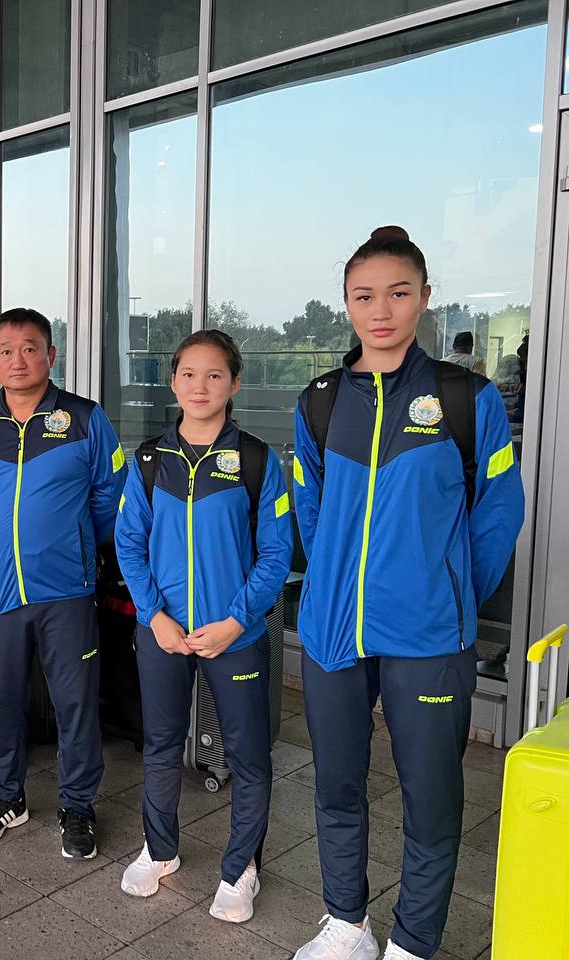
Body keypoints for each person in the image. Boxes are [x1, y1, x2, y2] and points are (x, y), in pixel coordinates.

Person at [290, 227, 523, 960]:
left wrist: (448, 593)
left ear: (425, 298)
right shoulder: (321, 401)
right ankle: (347, 924)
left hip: (429, 633)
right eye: (364, 296)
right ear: (346, 304)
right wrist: (332, 582)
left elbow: (498, 513)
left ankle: (415, 940)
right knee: (336, 785)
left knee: (431, 795)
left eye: (398, 293)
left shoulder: (465, 397)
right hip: (333, 630)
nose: (381, 310)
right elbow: (311, 512)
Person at [114, 330, 292, 923]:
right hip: (162, 632)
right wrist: (153, 615)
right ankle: (159, 849)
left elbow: (276, 553)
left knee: (248, 755)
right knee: (161, 744)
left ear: (234, 384)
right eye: (188, 374)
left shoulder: (258, 461)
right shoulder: (148, 461)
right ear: (173, 383)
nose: (200, 386)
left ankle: (242, 869)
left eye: (214, 375)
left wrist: (236, 620)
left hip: (234, 635)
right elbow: (129, 543)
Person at [0, 307, 126, 859]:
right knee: (0, 700)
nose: (18, 360)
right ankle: (6, 796)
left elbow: (109, 494)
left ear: (50, 355)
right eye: (6, 351)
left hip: (66, 590)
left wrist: (71, 541)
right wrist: (4, 542)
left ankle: (78, 804)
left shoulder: (84, 418)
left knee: (75, 702)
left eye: (30, 349)